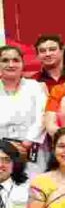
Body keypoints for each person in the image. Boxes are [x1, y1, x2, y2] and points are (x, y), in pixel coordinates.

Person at [0, 46, 49, 179]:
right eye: (5, 60)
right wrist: (5, 146)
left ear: (22, 63)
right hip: (1, 152)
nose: (11, 65)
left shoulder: (35, 87)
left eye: (15, 60)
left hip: (31, 149)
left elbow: (43, 115)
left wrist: (28, 142)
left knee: (34, 185)